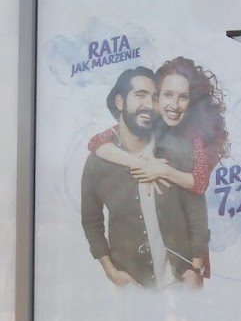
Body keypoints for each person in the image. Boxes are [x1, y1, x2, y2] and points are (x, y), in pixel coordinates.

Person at [86, 57, 228, 278]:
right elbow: (97, 142)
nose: (174, 105)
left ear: (191, 102)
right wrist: (139, 162)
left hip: (185, 262)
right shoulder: (146, 124)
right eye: (167, 95)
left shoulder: (193, 137)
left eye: (183, 97)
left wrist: (163, 170)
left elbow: (199, 185)